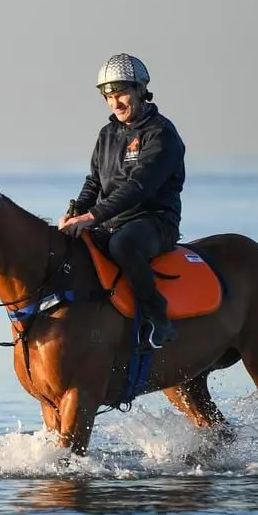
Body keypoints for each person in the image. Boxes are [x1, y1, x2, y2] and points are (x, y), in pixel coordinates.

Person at [58, 53, 185, 352]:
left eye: (122, 94)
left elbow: (138, 187)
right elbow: (94, 182)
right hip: (110, 221)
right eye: (109, 97)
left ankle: (158, 319)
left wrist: (92, 217)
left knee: (122, 246)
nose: (116, 103)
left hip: (154, 221)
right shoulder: (108, 133)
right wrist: (75, 214)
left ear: (141, 89)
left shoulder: (162, 134)